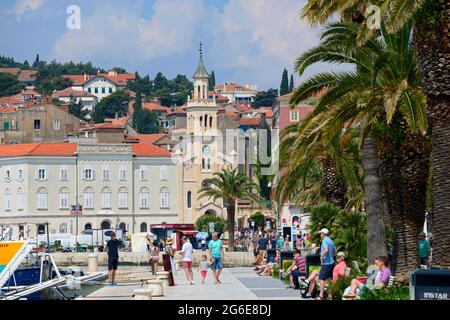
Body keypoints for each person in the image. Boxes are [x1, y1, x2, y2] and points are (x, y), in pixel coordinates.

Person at [316, 228, 335, 300]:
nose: (320, 235)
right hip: (332, 263)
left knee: (321, 277)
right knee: (330, 279)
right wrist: (331, 257)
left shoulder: (324, 241)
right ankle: (330, 295)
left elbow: (326, 250)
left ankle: (321, 295)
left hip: (326, 263)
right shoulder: (331, 241)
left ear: (323, 234)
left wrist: (321, 257)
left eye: (321, 233)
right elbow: (334, 252)